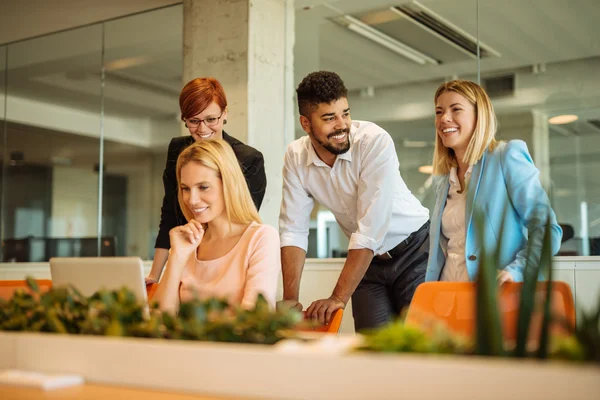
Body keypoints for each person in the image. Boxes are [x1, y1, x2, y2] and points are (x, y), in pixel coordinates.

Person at [278, 71, 430, 332]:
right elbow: (293, 229)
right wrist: (291, 298)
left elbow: (370, 228)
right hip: (369, 265)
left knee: (418, 344)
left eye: (345, 113)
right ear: (305, 123)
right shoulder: (295, 156)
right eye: (329, 118)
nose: (342, 125)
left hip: (415, 252)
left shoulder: (374, 141)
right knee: (371, 346)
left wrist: (337, 297)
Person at [425, 80, 562, 283]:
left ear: (479, 116)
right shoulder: (444, 180)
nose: (445, 118)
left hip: (494, 300)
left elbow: (547, 230)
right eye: (439, 112)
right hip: (449, 295)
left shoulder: (506, 156)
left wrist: (516, 272)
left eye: (456, 110)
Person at [147, 77, 267, 284]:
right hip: (185, 252)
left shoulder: (248, 159)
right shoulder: (179, 150)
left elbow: (239, 223)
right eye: (193, 121)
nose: (202, 130)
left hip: (226, 257)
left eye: (211, 119)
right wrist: (154, 276)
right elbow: (170, 214)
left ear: (225, 113)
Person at [153, 140, 279, 312]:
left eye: (203, 187)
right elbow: (160, 319)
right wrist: (176, 256)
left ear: (229, 184)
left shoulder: (261, 238)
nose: (192, 199)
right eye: (186, 188)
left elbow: (255, 322)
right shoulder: (187, 243)